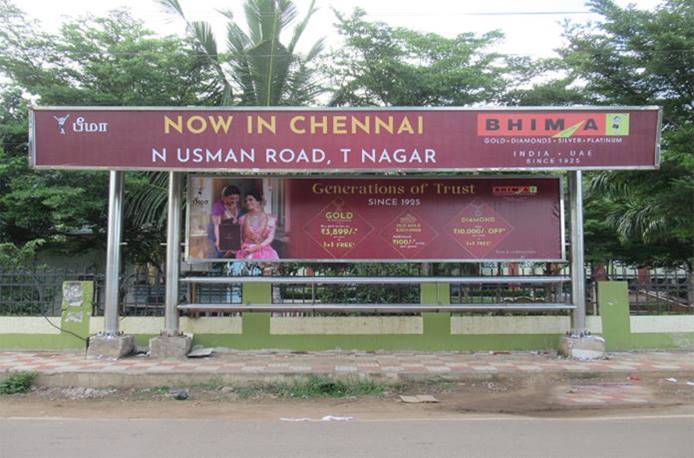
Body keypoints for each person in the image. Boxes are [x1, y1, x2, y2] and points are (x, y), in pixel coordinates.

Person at [236, 190, 280, 260]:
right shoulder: (242, 219)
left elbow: (270, 237)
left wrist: (256, 248)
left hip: (263, 249)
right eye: (246, 201)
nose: (247, 202)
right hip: (246, 249)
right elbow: (239, 236)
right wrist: (243, 248)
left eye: (250, 200)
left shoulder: (271, 219)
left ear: (258, 201)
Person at [209, 185, 243, 258]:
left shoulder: (237, 207)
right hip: (218, 235)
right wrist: (218, 240)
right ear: (224, 198)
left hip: (232, 237)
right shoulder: (218, 206)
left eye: (236, 198)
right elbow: (216, 224)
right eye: (231, 198)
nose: (234, 200)